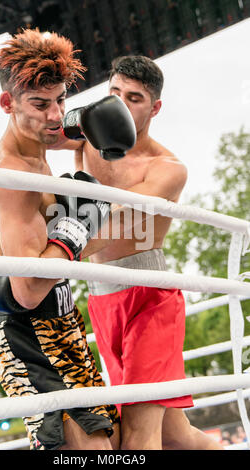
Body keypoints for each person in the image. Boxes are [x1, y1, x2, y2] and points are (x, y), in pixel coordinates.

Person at [0, 29, 135, 451]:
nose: (54, 115)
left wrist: (97, 148)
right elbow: (28, 290)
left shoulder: (43, 149)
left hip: (64, 320)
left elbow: (103, 214)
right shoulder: (11, 174)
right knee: (87, 449)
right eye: (40, 104)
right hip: (27, 330)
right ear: (7, 103)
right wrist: (75, 228)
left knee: (111, 441)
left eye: (61, 100)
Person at [68, 55, 224, 450]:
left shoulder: (168, 168)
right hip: (102, 300)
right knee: (175, 434)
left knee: (138, 435)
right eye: (114, 93)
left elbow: (117, 222)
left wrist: (48, 252)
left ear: (155, 107)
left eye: (134, 98)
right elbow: (32, 130)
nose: (120, 104)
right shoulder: (88, 134)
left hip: (149, 299)